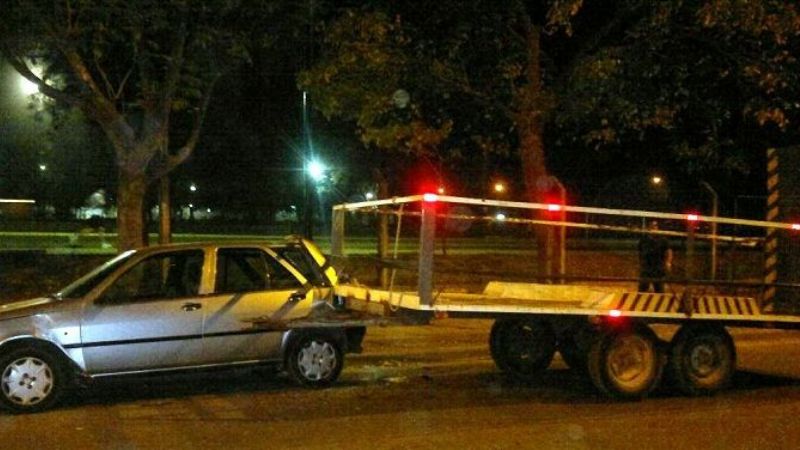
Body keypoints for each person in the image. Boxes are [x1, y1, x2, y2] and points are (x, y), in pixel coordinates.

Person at [638, 220, 673, 292]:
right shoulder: (644, 239)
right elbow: (640, 251)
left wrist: (668, 262)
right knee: (643, 288)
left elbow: (668, 251)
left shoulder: (662, 239)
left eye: (655, 226)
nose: (653, 228)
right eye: (651, 226)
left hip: (658, 268)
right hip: (647, 268)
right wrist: (641, 263)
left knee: (659, 288)